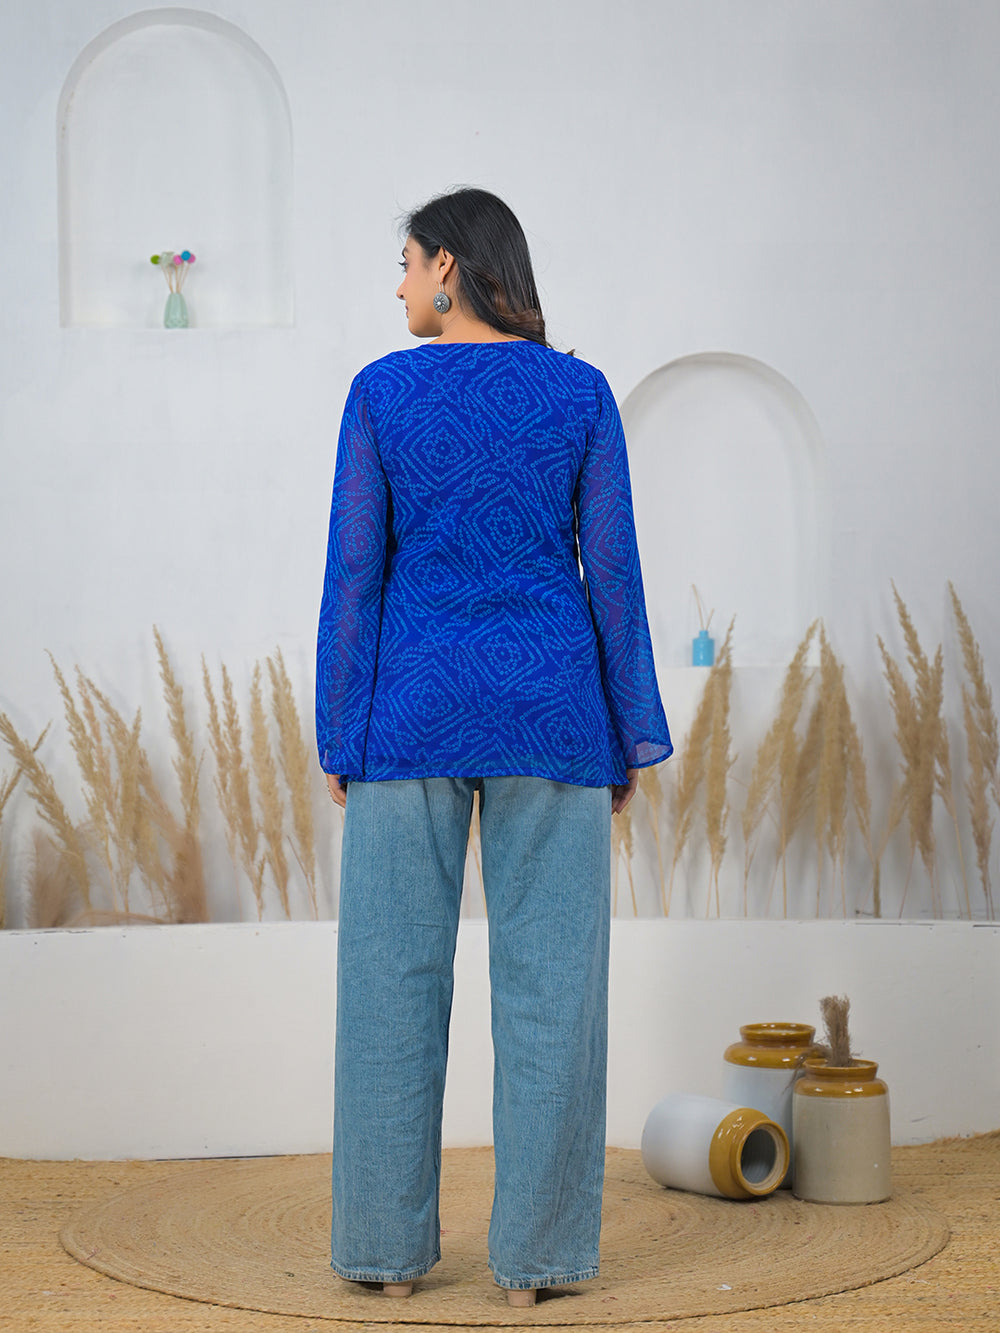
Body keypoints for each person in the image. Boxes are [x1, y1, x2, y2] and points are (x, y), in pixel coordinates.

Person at [316, 187, 671, 1307]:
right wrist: (627, 730)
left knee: (389, 985)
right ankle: (537, 1264)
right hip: (553, 713)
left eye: (407, 264)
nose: (399, 288)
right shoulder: (580, 392)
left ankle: (383, 1255)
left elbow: (354, 574)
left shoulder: (380, 392)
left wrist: (341, 731)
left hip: (408, 715)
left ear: (448, 268)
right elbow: (612, 569)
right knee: (553, 991)